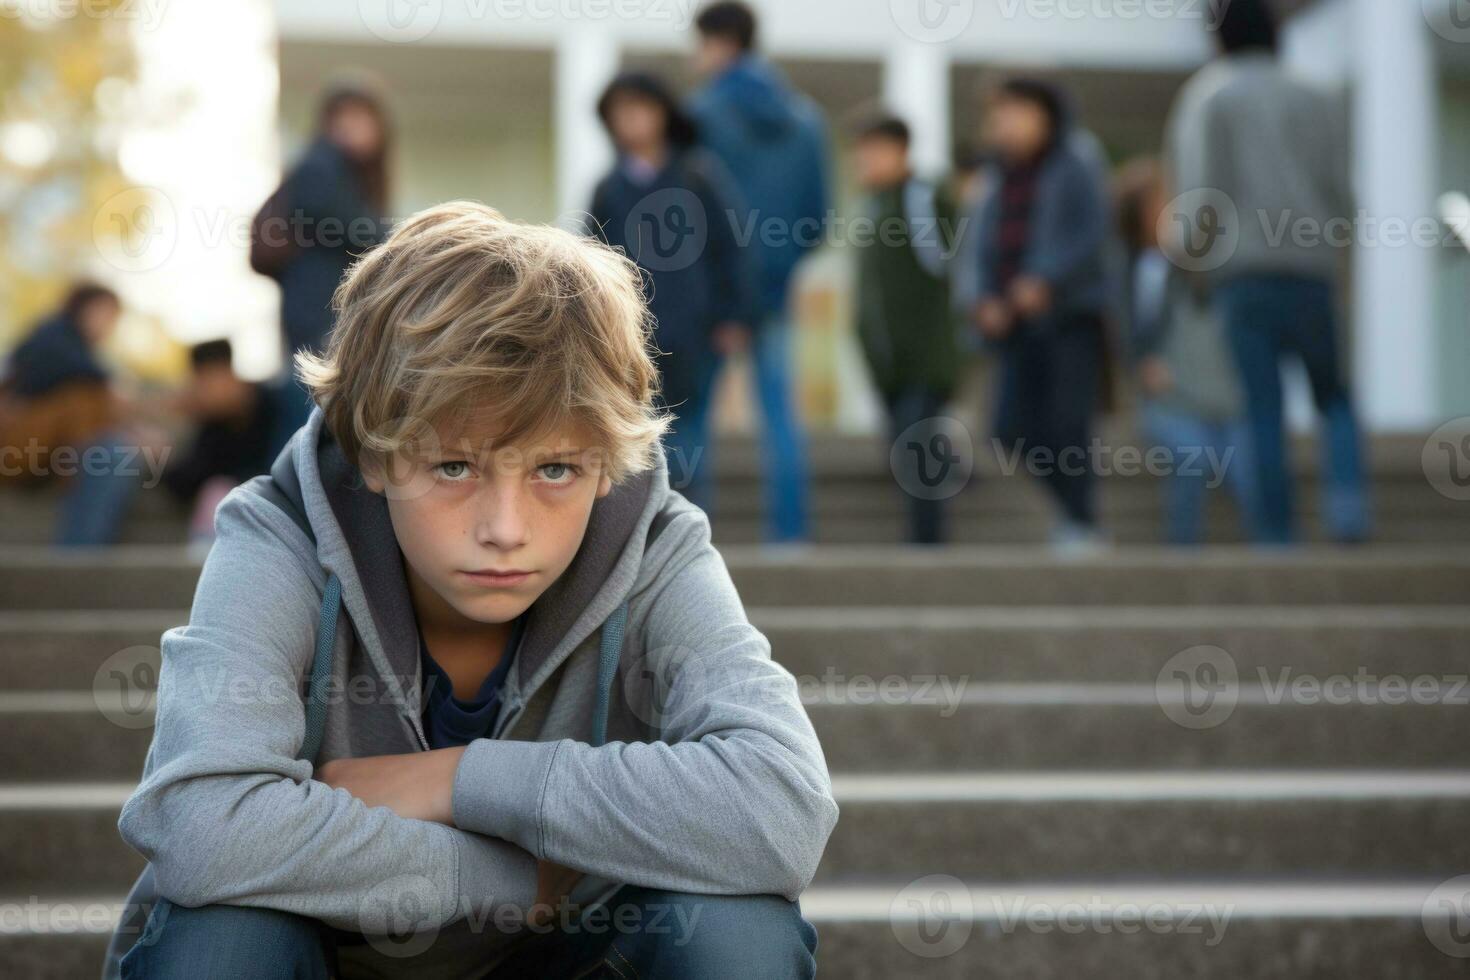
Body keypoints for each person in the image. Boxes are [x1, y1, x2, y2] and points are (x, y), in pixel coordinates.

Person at [115, 203, 836, 979]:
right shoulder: (281, 533)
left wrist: (459, 779)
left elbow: (781, 808)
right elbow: (201, 825)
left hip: (564, 957)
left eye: (555, 469)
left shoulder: (655, 543)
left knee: (735, 926)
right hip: (337, 951)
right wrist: (509, 877)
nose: (505, 528)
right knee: (225, 939)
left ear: (602, 466)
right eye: (454, 467)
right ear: (373, 453)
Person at [1164, 0, 1369, 545]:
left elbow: (1205, 195)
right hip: (1311, 268)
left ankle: (1277, 534)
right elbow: (1340, 191)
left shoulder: (1211, 95)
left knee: (1261, 407)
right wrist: (1340, 260)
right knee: (1336, 396)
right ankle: (1348, 506)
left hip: (1244, 272)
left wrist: (1188, 261)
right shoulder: (1317, 94)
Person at [688, 0, 830, 544]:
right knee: (780, 418)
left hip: (716, 294)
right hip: (777, 288)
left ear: (720, 42)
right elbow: (817, 217)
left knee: (692, 419)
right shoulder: (807, 119)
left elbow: (689, 211)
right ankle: (789, 540)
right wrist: (780, 266)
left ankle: (686, 549)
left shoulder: (699, 115)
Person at [587, 71, 755, 514]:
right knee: (637, 439)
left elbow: (731, 248)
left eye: (641, 108)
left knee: (689, 439)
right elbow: (590, 262)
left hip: (696, 335)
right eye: (621, 112)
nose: (633, 120)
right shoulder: (608, 189)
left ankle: (689, 532)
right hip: (629, 340)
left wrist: (733, 317)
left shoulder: (698, 175)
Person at [970, 78, 1112, 553]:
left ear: (1043, 113)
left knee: (1069, 424)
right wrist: (982, 298)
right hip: (1016, 324)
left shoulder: (1077, 160)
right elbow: (979, 247)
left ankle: (1080, 522)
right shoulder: (998, 174)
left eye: (1013, 111)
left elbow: (1091, 235)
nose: (1003, 123)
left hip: (1069, 317)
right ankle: (1071, 516)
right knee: (1008, 428)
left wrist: (1045, 279)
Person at [1115, 158, 1257, 545]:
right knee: (1193, 457)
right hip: (1170, 399)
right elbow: (1127, 336)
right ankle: (1183, 556)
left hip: (1223, 397)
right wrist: (1141, 365)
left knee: (1249, 469)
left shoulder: (1201, 263)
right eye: (1161, 203)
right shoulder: (1126, 271)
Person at [261, 80, 393, 459]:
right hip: (318, 313)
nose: (355, 127)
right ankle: (290, 504)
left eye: (363, 117)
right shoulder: (321, 166)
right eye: (346, 117)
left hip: (316, 311)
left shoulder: (340, 173)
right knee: (308, 412)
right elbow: (353, 228)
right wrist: (403, 240)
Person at [850, 112, 962, 544]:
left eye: (875, 151)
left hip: (925, 357)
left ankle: (928, 546)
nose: (866, 162)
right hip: (888, 364)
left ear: (900, 150)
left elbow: (954, 265)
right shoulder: (875, 205)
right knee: (907, 449)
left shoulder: (923, 198)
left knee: (920, 450)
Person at [0, 282, 166, 546]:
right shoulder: (52, 337)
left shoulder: (82, 359)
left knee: (114, 451)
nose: (109, 324)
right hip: (21, 450)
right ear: (83, 308)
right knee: (110, 443)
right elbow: (65, 369)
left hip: (59, 456)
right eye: (105, 313)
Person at [158, 339, 276, 546]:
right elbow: (189, 480)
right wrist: (162, 457)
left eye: (207, 381)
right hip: (236, 519)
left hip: (271, 514)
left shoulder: (275, 406)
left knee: (218, 493)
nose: (202, 392)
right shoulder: (215, 424)